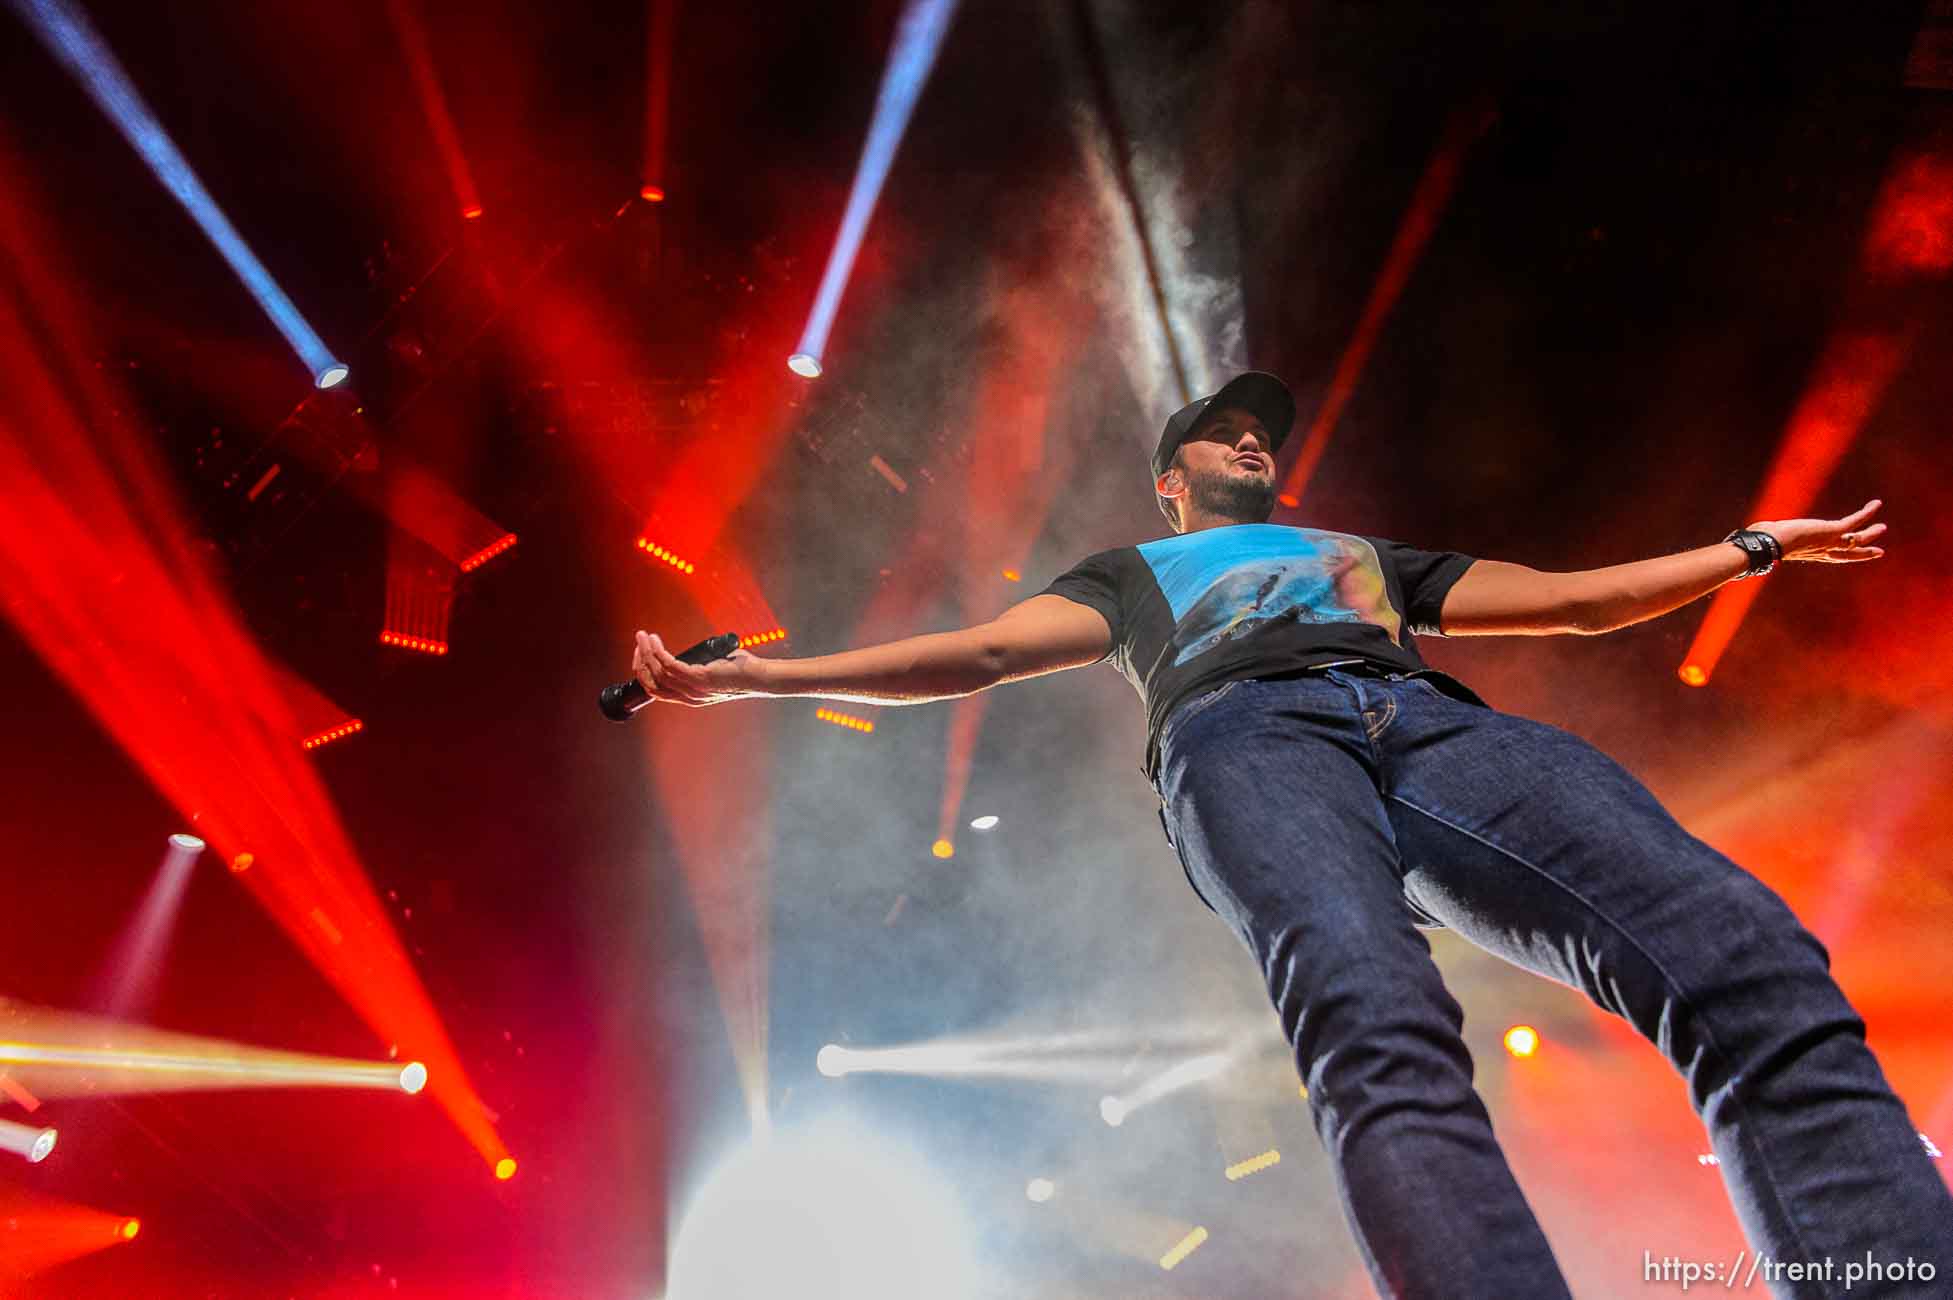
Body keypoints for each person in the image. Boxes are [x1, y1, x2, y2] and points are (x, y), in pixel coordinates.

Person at [629, 371, 1950, 1298]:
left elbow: (1575, 605)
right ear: (1169, 481)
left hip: (1435, 730)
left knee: (1738, 946)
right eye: (1222, 431)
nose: (1252, 438)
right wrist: (756, 679)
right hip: (1244, 740)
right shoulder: (1132, 573)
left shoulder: (1356, 551)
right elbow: (971, 654)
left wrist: (1749, 545)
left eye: (1262, 430)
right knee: (1376, 1020)